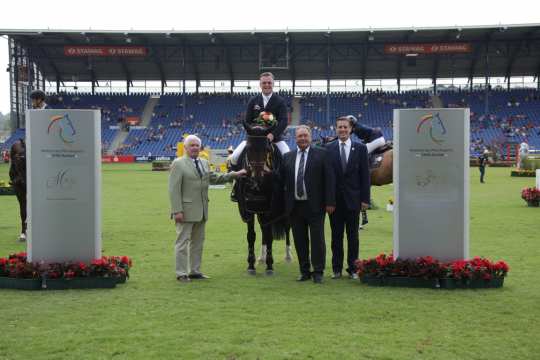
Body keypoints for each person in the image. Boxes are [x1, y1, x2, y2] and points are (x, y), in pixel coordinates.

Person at [168, 135, 246, 283]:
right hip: (184, 211)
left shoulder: (204, 162)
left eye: (197, 145)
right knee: (182, 242)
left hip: (202, 210)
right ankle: (181, 273)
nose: (195, 148)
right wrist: (177, 210)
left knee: (198, 242)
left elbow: (214, 178)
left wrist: (234, 174)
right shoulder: (178, 163)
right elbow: (173, 190)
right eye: (192, 145)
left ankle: (195, 271)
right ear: (185, 148)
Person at [280, 125, 335, 284]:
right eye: (299, 136)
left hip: (316, 205)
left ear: (310, 137)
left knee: (317, 240)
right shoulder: (288, 157)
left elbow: (329, 180)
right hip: (295, 206)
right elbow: (281, 180)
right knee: (299, 240)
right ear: (295, 138)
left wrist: (330, 202)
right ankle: (304, 271)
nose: (302, 138)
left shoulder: (322, 154)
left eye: (305, 135)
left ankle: (318, 271)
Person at [325, 116, 370, 280]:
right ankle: (336, 269)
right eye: (339, 127)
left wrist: (365, 200)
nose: (342, 130)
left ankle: (353, 269)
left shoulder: (360, 149)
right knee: (336, 237)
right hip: (334, 203)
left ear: (351, 129)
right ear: (335, 129)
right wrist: (328, 201)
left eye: (345, 127)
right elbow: (327, 178)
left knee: (353, 237)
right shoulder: (328, 148)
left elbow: (365, 177)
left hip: (354, 201)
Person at [9, 89, 49, 242]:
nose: (32, 102)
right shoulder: (33, 111)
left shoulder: (49, 110)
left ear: (40, 99)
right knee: (19, 152)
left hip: (45, 140)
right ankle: (16, 176)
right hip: (32, 138)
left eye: (34, 99)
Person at [230, 72, 290, 164]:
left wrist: (273, 134)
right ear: (260, 84)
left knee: (288, 159)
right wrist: (254, 132)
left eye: (269, 83)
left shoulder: (280, 101)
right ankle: (235, 177)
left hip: (275, 139)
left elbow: (284, 121)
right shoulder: (253, 100)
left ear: (273, 84)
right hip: (254, 138)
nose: (267, 85)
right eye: (264, 83)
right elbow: (247, 121)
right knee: (234, 157)